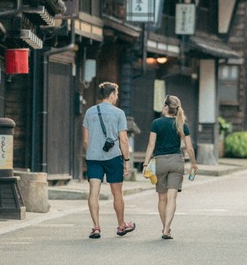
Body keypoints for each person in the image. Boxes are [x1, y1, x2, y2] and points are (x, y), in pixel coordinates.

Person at [141, 94, 199, 240]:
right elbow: (189, 147)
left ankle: (165, 227)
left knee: (162, 198)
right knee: (172, 197)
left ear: (166, 107)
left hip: (159, 162)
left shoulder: (156, 123)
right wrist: (193, 163)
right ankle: (167, 229)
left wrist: (145, 164)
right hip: (176, 162)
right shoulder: (181, 124)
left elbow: (151, 145)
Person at [82, 81, 135, 239]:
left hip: (93, 157)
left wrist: (91, 152)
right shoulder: (118, 113)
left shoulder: (89, 112)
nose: (117, 97)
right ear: (111, 94)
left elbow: (85, 140)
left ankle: (96, 227)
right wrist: (126, 160)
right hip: (113, 157)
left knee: (94, 192)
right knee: (117, 193)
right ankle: (121, 225)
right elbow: (124, 139)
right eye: (116, 94)